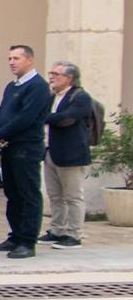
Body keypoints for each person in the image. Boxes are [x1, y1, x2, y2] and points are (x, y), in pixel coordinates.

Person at [0, 44, 50, 260]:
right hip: (10, 147)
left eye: (16, 58)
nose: (11, 62)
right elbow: (3, 111)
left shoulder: (38, 86)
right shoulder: (12, 86)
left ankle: (27, 241)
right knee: (12, 194)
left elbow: (27, 117)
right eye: (10, 58)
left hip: (27, 147)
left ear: (29, 60)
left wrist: (1, 134)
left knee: (28, 193)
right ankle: (15, 235)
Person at [40, 61, 93, 249]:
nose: (52, 77)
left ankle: (74, 234)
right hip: (50, 152)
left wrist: (44, 118)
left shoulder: (80, 97)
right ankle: (57, 229)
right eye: (51, 73)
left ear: (69, 78)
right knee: (55, 195)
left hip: (71, 154)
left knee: (73, 196)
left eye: (56, 74)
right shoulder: (52, 96)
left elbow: (66, 119)